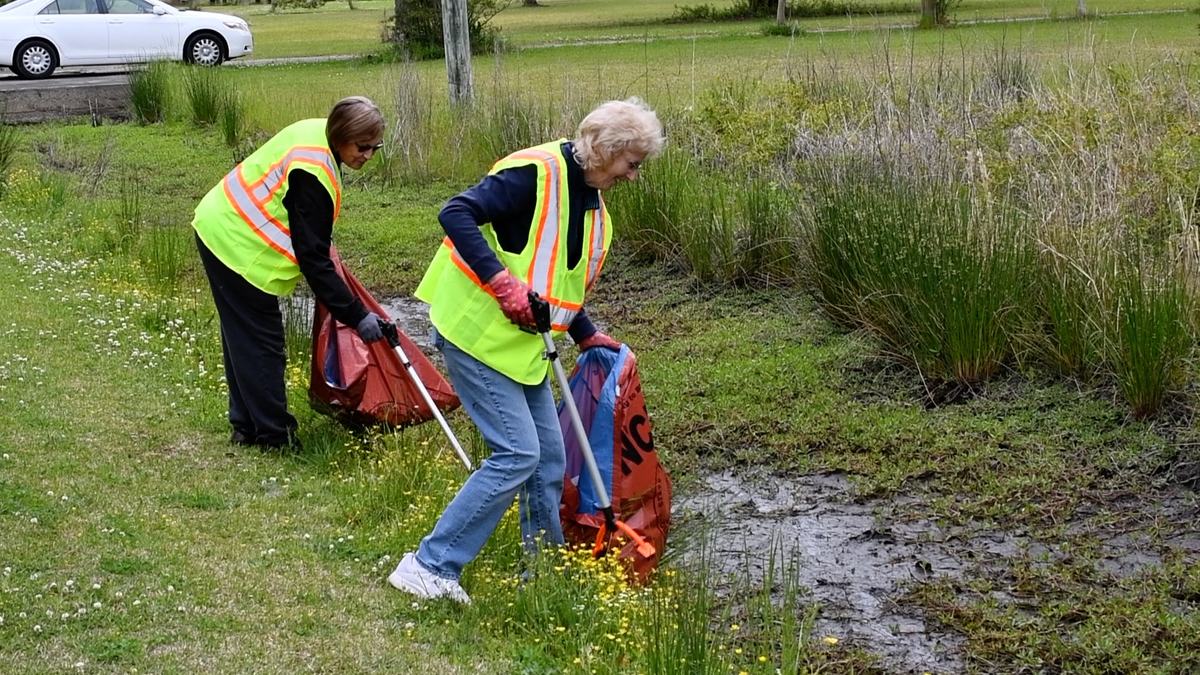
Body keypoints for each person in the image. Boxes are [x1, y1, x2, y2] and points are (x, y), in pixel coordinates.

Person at [387, 98, 666, 603]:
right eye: (632, 164)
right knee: (517, 454)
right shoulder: (535, 173)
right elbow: (456, 212)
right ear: (606, 149)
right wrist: (499, 283)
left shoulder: (593, 206)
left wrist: (584, 331)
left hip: (525, 348)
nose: (634, 176)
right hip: (476, 333)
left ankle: (543, 578)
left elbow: (556, 276)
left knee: (548, 461)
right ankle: (429, 566)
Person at [192, 96, 388, 451]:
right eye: (362, 147)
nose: (368, 156)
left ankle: (246, 428)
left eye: (376, 148)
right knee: (262, 344)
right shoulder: (313, 173)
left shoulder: (316, 133)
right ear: (342, 135)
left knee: (242, 338)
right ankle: (274, 437)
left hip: (222, 225)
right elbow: (314, 260)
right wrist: (358, 317)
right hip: (235, 243)